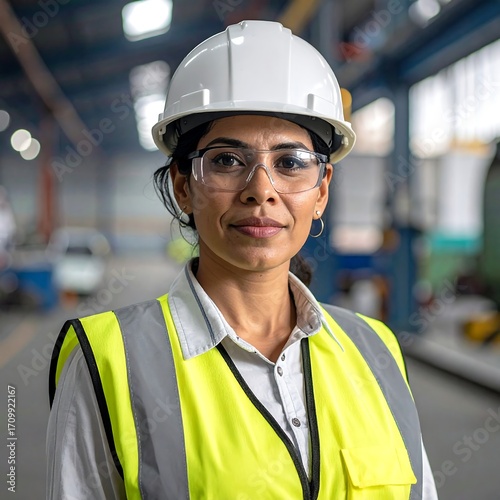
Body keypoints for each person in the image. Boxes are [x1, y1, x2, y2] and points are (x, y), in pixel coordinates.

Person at [47, 20, 438, 499]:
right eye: (227, 161)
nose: (261, 191)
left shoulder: (376, 350)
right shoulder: (107, 360)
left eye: (291, 162)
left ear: (321, 193)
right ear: (184, 186)